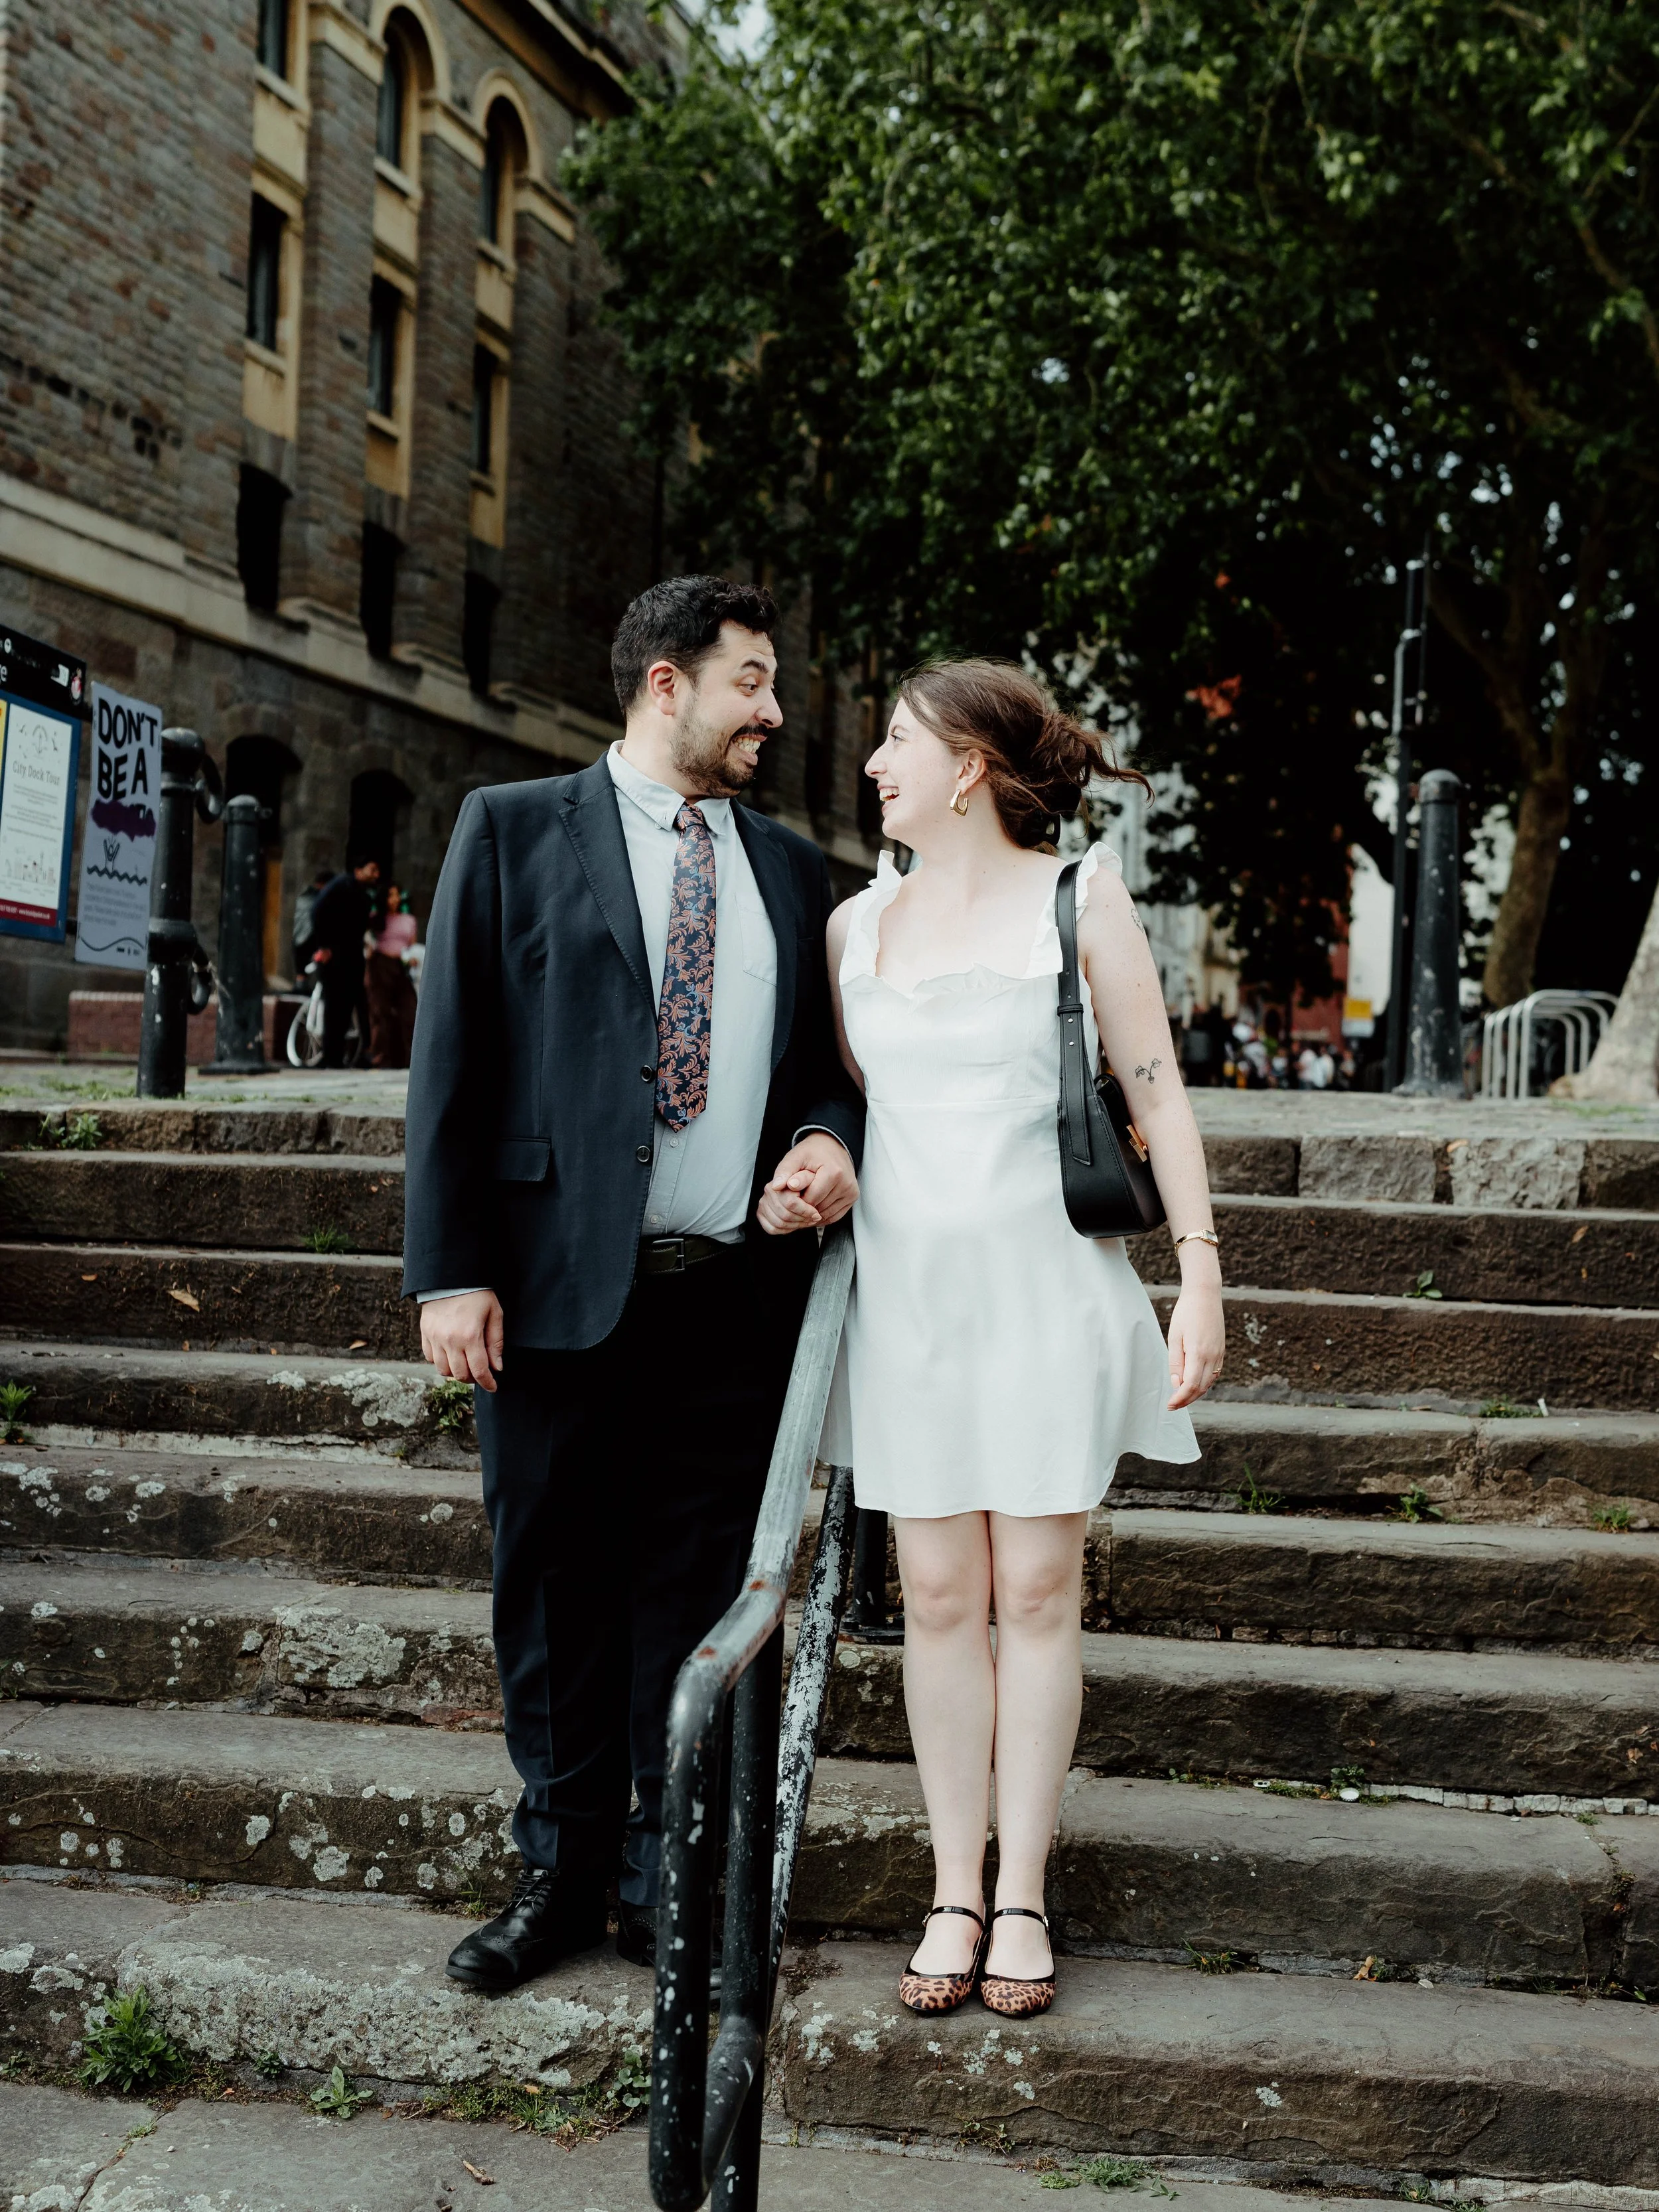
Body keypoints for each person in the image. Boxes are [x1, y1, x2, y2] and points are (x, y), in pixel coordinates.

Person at [403, 575, 865, 1996]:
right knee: (550, 1589)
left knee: (691, 1595)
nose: (773, 711)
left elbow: (823, 1082)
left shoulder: (793, 874)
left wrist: (825, 1146)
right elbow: (455, 1067)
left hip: (731, 1302)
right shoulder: (510, 828)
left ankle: (664, 1876)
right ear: (663, 682)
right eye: (752, 680)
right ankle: (556, 1872)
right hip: (546, 1293)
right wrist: (449, 1273)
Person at [822, 658, 1224, 2021]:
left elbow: (1157, 1100)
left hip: (1046, 1295)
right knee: (935, 1600)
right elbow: (866, 1117)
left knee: (1036, 1595)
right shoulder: (850, 927)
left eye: (892, 740)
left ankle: (1023, 1895)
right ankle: (950, 1884)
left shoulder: (1080, 899)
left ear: (966, 767)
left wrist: (1201, 1277)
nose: (873, 761)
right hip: (911, 1309)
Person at [307, 857, 380, 1068]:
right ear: (359, 869)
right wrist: (324, 946)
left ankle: (345, 1056)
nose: (376, 875)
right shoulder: (340, 886)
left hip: (353, 956)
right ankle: (331, 1057)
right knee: (334, 1006)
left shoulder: (364, 894)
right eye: (372, 869)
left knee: (350, 1006)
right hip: (336, 956)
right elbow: (317, 911)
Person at [365, 883, 419, 1069]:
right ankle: (380, 1058)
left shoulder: (409, 920)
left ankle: (410, 1059)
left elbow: (411, 945)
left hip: (401, 965)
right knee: (380, 1012)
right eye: (390, 895)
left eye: (397, 895)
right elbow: (368, 942)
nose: (395, 899)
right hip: (379, 965)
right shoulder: (375, 919)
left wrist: (411, 959)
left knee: (410, 1010)